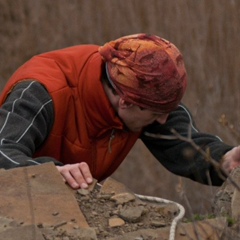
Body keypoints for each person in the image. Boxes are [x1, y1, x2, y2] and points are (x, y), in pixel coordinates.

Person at [0, 33, 239, 189]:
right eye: (156, 114)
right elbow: (4, 150)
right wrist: (50, 173)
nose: (163, 120)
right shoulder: (40, 92)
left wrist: (223, 160)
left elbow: (182, 143)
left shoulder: (142, 88)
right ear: (125, 102)